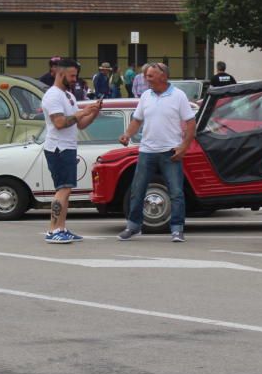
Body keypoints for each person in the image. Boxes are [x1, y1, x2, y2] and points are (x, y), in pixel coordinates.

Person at [117, 62, 197, 243]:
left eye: (150, 76)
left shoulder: (179, 96)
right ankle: (133, 226)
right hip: (147, 150)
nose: (146, 79)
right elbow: (137, 120)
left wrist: (184, 146)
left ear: (163, 76)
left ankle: (177, 229)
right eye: (146, 76)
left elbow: (191, 123)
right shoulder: (146, 96)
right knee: (137, 190)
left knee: (176, 192)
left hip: (171, 151)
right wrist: (127, 134)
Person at [40, 58, 102, 243]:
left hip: (67, 147)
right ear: (60, 73)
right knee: (62, 189)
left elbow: (80, 125)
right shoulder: (53, 96)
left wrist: (93, 113)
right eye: (72, 75)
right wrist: (81, 112)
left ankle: (61, 227)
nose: (75, 79)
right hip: (58, 148)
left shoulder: (68, 96)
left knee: (66, 190)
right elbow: (59, 123)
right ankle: (53, 230)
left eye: (76, 75)